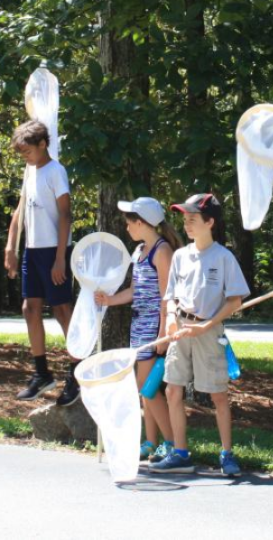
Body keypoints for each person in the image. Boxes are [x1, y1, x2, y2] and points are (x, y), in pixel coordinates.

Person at [150, 194, 250, 476]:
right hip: (180, 328)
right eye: (184, 219)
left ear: (210, 222)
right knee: (172, 388)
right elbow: (170, 297)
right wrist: (170, 318)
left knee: (217, 394)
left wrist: (206, 326)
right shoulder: (180, 256)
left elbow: (235, 301)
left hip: (209, 330)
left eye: (192, 219)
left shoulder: (224, 257)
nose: (187, 224)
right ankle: (180, 452)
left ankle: (227, 454)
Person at [95, 197, 180, 463]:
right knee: (147, 391)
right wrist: (110, 300)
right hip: (138, 325)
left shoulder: (162, 250)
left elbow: (167, 294)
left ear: (141, 222)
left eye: (129, 222)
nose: (127, 227)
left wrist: (163, 335)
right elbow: (135, 290)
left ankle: (173, 444)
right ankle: (151, 442)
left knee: (146, 387)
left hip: (155, 325)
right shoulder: (140, 250)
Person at [3, 120, 78, 405]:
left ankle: (77, 372)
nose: (24, 156)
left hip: (54, 250)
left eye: (27, 151)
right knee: (29, 308)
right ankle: (42, 373)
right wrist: (11, 246)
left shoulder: (56, 172)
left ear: (43, 144)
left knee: (62, 310)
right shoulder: (29, 170)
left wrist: (60, 258)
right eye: (21, 153)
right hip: (32, 250)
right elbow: (20, 210)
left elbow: (65, 216)